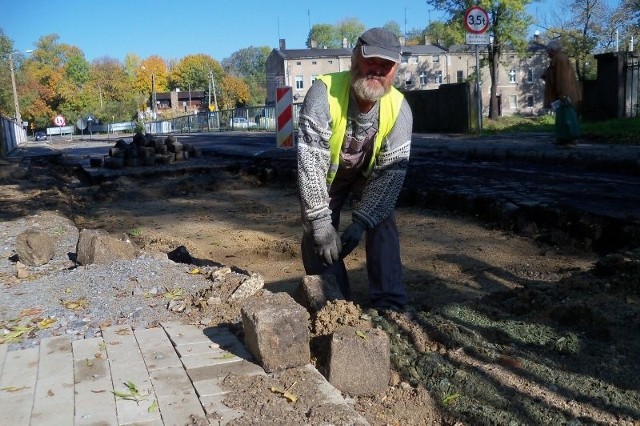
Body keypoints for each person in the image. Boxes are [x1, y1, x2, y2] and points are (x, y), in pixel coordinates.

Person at [296, 27, 413, 311]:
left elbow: (390, 177)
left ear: (395, 69)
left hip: (368, 179)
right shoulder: (322, 94)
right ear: (354, 58)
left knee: (382, 221)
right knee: (317, 234)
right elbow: (310, 165)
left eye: (386, 65)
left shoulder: (400, 109)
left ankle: (389, 304)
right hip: (327, 178)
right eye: (371, 60)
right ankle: (334, 305)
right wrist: (322, 225)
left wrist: (361, 223)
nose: (377, 70)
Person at [543, 39, 582, 146]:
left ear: (552, 50)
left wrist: (563, 94)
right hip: (562, 94)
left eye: (548, 52)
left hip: (564, 95)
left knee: (567, 117)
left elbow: (562, 78)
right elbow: (555, 75)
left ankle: (571, 138)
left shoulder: (559, 59)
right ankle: (563, 137)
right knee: (562, 117)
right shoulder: (558, 59)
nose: (547, 54)